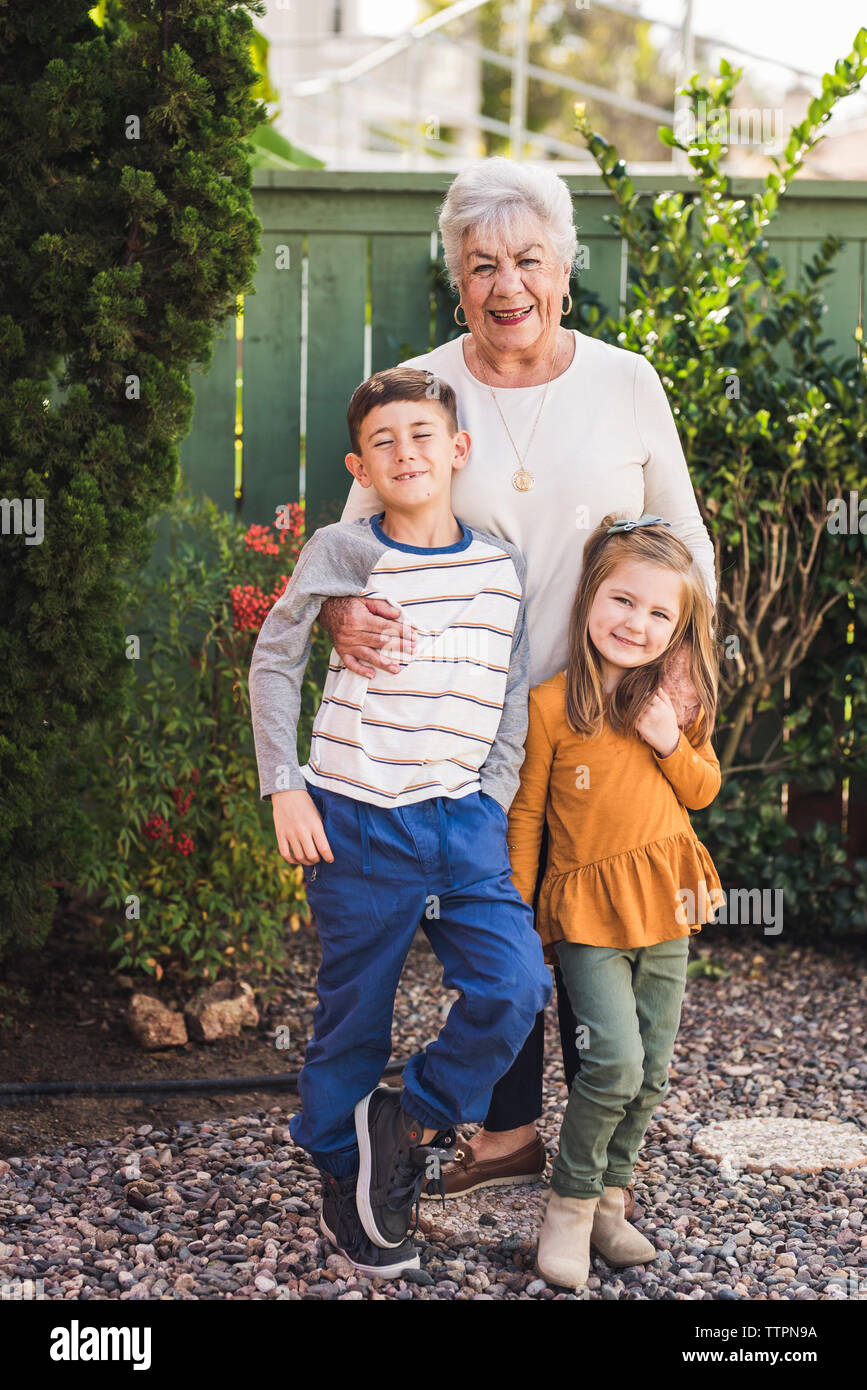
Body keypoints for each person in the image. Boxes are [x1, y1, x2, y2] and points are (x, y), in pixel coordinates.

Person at [318, 156, 716, 1208]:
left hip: (606, 721)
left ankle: (595, 1171)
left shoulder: (626, 381)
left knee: (598, 922)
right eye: (483, 262)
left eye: (528, 260)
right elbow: (349, 545)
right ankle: (503, 1142)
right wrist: (340, 610)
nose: (508, 286)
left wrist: (675, 667)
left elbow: (684, 536)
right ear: (455, 275)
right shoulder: (420, 386)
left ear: (565, 266)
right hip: (462, 725)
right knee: (504, 924)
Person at [247, 364, 552, 1277]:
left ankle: (405, 1118)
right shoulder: (344, 551)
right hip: (354, 822)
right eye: (383, 442)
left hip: (461, 826)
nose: (404, 453)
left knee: (515, 988)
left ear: (457, 449)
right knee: (352, 1021)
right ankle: (347, 1179)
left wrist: (488, 798)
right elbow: (274, 662)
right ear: (360, 464)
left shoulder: (501, 563)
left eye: (422, 436)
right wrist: (285, 786)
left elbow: (509, 698)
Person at [503, 514, 722, 1290]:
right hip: (588, 913)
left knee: (653, 1068)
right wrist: (521, 919)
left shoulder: (668, 699)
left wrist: (669, 739)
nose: (637, 624)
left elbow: (701, 788)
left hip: (665, 903)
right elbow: (526, 817)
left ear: (678, 626)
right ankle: (566, 1204)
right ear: (590, 596)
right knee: (611, 1063)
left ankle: (609, 1200)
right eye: (622, 601)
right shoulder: (551, 705)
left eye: (659, 613)